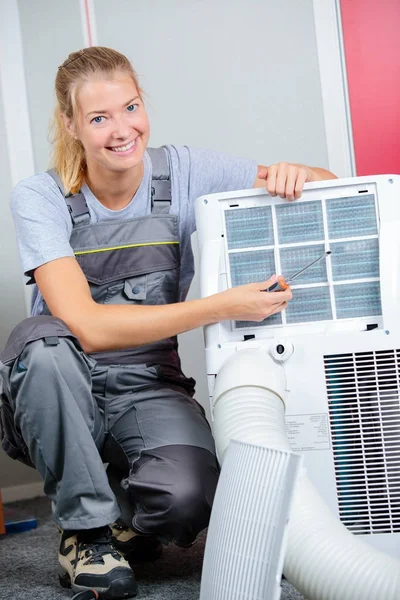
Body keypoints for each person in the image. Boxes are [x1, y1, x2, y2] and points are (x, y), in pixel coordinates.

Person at [0, 46, 336, 599]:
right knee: (43, 346)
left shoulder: (182, 172)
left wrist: (299, 174)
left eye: (130, 108)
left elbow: (328, 186)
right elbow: (87, 326)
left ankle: (120, 516)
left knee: (191, 499)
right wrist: (221, 305)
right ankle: (84, 534)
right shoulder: (40, 198)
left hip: (147, 382)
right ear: (70, 125)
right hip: (60, 382)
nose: (121, 130)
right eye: (99, 118)